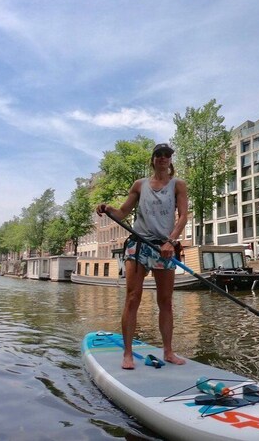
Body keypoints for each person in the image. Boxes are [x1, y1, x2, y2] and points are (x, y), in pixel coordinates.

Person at [96, 143, 188, 370]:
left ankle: (168, 351)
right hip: (138, 246)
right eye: (159, 155)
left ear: (170, 160)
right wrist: (108, 209)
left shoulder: (179, 185)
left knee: (165, 302)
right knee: (132, 298)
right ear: (153, 159)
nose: (163, 158)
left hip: (164, 248)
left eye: (167, 155)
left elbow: (184, 216)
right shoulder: (140, 185)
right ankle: (127, 354)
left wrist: (171, 241)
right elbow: (122, 212)